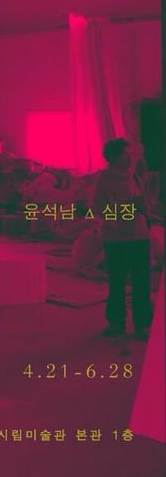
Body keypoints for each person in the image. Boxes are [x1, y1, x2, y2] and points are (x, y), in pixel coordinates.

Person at [93, 138, 153, 339]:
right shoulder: (104, 180)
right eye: (125, 154)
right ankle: (116, 323)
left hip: (139, 236)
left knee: (141, 281)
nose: (129, 158)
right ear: (114, 157)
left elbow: (143, 205)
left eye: (130, 154)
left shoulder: (134, 176)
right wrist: (122, 215)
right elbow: (99, 208)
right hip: (116, 239)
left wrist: (142, 204)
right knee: (117, 281)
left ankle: (142, 324)